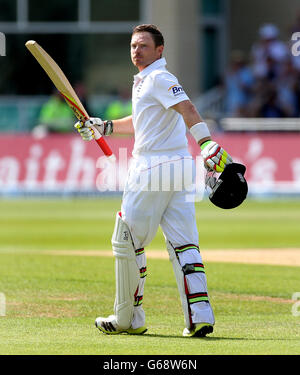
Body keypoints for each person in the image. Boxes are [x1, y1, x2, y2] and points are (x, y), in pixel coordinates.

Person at [74, 24, 233, 337]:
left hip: (152, 167)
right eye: (133, 45)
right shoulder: (146, 81)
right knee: (185, 244)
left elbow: (187, 108)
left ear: (160, 50)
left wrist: (206, 142)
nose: (137, 50)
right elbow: (141, 122)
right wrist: (103, 127)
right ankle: (199, 316)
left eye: (144, 45)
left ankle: (127, 318)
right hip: (179, 168)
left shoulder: (159, 77)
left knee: (127, 239)